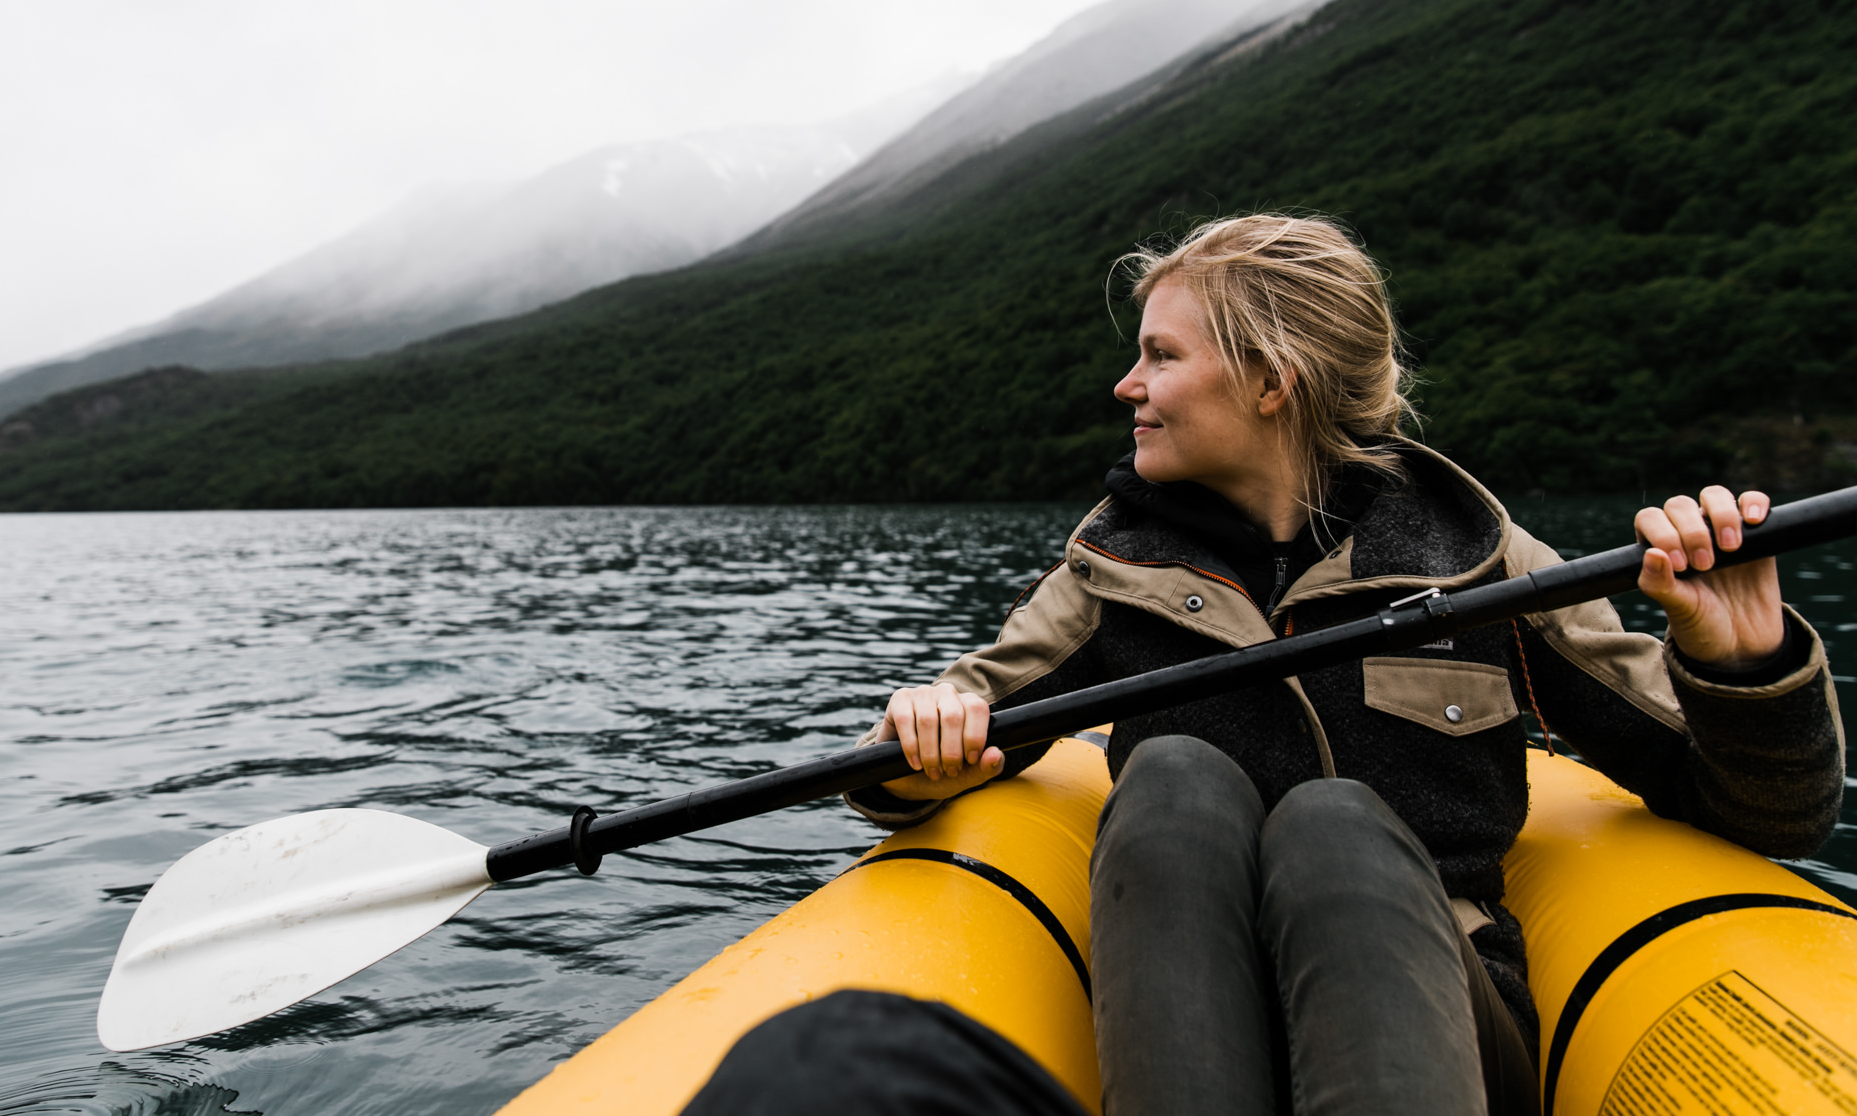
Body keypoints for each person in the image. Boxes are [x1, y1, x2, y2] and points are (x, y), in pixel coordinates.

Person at [683, 215, 1845, 1116]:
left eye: (1158, 354)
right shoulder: (1112, 564)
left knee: (1334, 821)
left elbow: (1763, 809)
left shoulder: (1482, 560)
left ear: (1268, 379)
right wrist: (922, 734)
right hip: (1194, 1034)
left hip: (1441, 1027)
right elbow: (937, 730)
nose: (1123, 386)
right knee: (1177, 773)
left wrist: (1738, 658)